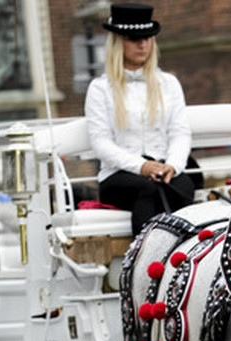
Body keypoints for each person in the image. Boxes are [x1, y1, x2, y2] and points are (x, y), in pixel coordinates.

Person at [85, 2, 193, 234]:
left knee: (182, 186)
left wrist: (172, 165)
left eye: (148, 37)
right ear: (117, 43)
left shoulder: (169, 84)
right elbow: (101, 143)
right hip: (118, 176)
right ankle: (142, 260)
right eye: (134, 38)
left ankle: (184, 258)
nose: (143, 44)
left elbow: (180, 132)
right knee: (148, 189)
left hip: (164, 168)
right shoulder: (100, 88)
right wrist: (142, 166)